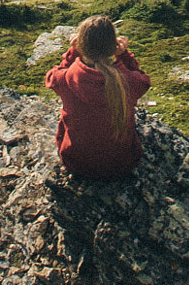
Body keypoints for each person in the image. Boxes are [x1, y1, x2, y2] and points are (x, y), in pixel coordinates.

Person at [45, 14, 150, 179]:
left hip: (76, 163)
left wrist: (73, 53)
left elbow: (52, 77)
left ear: (81, 44)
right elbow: (143, 80)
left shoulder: (64, 79)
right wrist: (124, 56)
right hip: (123, 164)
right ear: (113, 45)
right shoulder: (129, 81)